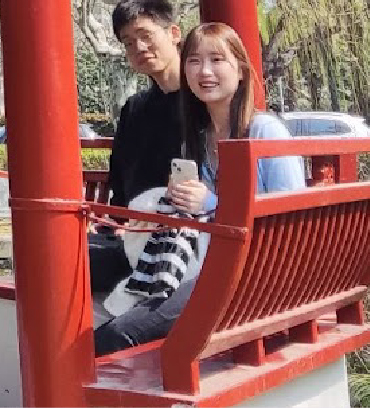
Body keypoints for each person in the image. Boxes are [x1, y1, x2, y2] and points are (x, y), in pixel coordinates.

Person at [92, 23, 304, 354]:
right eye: (194, 61)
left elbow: (291, 224)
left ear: (241, 70)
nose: (204, 71)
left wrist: (212, 203)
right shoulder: (199, 140)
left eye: (217, 59)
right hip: (206, 266)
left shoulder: (265, 132)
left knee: (115, 336)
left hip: (257, 279)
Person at [92, 0, 187, 300]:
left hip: (179, 241)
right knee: (55, 259)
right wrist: (114, 224)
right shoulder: (134, 109)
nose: (139, 48)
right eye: (128, 42)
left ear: (174, 33)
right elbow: (121, 184)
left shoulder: (202, 104)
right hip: (134, 235)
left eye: (145, 35)